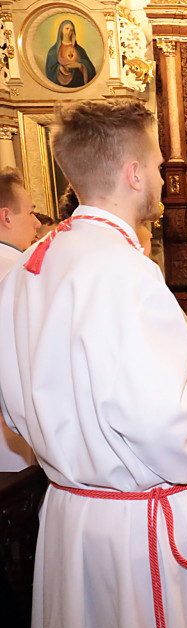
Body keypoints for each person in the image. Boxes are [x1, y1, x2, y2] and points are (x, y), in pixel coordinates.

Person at [0, 98, 187, 628]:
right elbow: (166, 421)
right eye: (156, 164)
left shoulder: (32, 262)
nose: (160, 176)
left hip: (72, 513)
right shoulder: (124, 269)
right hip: (133, 528)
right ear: (133, 173)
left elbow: (15, 397)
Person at [0, 168, 40, 472]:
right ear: (6, 217)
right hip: (14, 430)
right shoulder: (19, 273)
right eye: (30, 212)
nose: (37, 223)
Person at [45, 20, 96, 88]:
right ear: (61, 30)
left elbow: (91, 69)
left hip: (79, 85)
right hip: (60, 87)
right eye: (67, 29)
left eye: (71, 30)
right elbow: (49, 69)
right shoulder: (54, 50)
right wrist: (59, 68)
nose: (69, 32)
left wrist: (80, 66)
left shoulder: (80, 50)